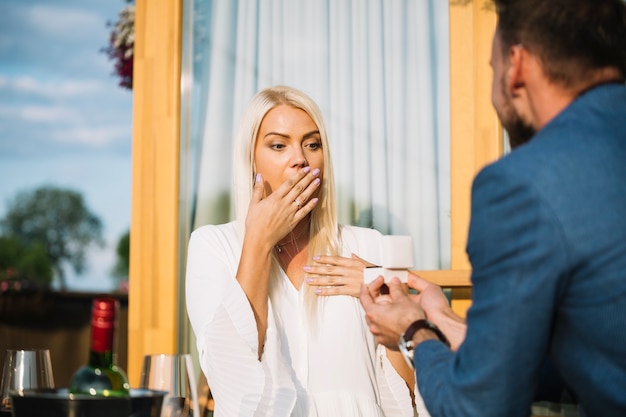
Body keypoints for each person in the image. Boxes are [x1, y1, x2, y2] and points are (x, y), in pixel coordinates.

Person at [360, 0, 626, 416]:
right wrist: (443, 323)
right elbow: (601, 353)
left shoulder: (523, 183)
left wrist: (412, 332)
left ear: (516, 64)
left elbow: (479, 408)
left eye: (490, 67)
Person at [186, 85, 426, 416]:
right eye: (278, 145)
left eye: (312, 144)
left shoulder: (368, 246)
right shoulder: (213, 246)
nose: (300, 159)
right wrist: (258, 240)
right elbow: (233, 380)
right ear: (250, 158)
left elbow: (410, 393)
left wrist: (384, 299)